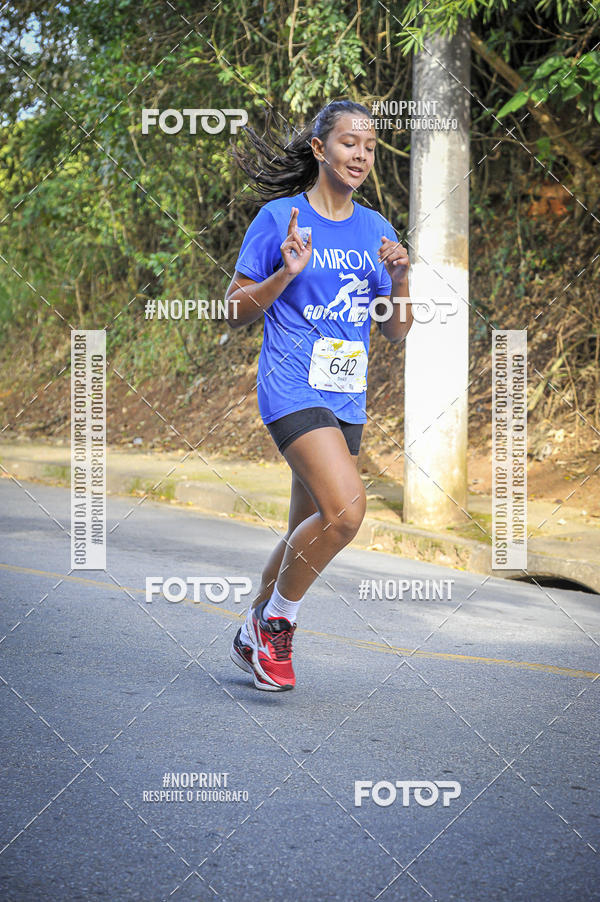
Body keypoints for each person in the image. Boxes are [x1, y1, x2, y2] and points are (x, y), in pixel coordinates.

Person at [225, 99, 413, 691]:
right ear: (319, 148)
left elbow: (396, 330)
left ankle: (252, 629)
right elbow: (233, 309)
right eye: (349, 143)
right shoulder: (280, 218)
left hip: (345, 394)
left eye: (370, 147)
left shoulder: (377, 229)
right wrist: (284, 273)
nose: (360, 155)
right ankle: (277, 624)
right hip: (291, 386)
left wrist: (402, 278)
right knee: (347, 511)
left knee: (304, 530)